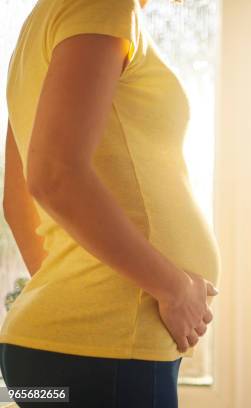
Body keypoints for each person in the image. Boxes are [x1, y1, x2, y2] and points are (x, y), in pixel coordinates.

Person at [0, 0, 219, 406]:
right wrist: (173, 289)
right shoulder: (103, 6)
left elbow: (17, 200)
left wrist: (67, 293)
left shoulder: (43, 25)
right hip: (106, 354)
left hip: (51, 351)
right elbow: (55, 176)